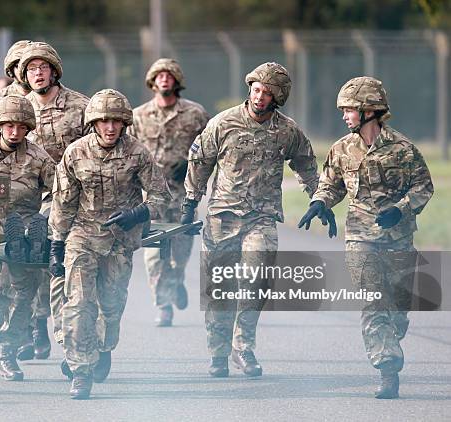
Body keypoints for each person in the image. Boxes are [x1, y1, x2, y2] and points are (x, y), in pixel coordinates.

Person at [182, 62, 333, 379]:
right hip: (222, 217)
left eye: (267, 93)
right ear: (249, 88)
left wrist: (319, 199)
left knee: (257, 279)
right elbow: (200, 161)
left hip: (261, 218)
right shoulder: (223, 123)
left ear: (277, 98)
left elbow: (306, 164)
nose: (260, 96)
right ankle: (218, 353)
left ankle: (243, 347)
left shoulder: (286, 130)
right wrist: (191, 201)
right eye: (257, 89)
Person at [299, 76, 434, 399]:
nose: (345, 116)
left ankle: (390, 342)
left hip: (398, 240)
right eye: (343, 111)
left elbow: (424, 188)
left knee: (397, 311)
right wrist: (320, 202)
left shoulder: (403, 149)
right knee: (373, 300)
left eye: (349, 110)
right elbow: (331, 184)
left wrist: (401, 210)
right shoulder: (342, 149)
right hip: (360, 238)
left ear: (369, 111)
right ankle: (387, 368)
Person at [49, 89, 171, 399]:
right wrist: (56, 243)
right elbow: (63, 203)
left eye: (116, 121)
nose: (110, 127)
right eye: (103, 121)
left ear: (125, 123)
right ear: (92, 123)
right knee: (78, 303)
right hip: (83, 235)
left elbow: (161, 197)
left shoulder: (139, 154)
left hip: (120, 241)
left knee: (111, 305)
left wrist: (136, 214)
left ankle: (103, 347)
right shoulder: (75, 154)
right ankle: (80, 369)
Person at [0, 95, 56, 381]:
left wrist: (45, 216)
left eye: (20, 126)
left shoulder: (39, 157)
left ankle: (9, 352)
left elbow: (61, 192)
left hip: (27, 234)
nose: (14, 132)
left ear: (28, 128)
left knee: (23, 295)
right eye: (8, 125)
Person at [15, 41, 90, 362]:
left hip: (76, 200)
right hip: (30, 199)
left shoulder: (81, 106)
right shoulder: (16, 109)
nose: (38, 74)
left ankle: (73, 336)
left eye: (43, 68)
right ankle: (37, 325)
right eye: (31, 69)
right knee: (32, 264)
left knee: (65, 266)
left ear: (54, 71)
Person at [128, 58, 209, 327]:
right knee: (153, 255)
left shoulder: (195, 114)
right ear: (152, 81)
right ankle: (163, 305)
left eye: (169, 75)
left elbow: (210, 149)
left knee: (179, 252)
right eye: (159, 75)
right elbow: (127, 152)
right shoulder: (138, 116)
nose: (164, 79)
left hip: (183, 195)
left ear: (176, 81)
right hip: (150, 197)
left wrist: (190, 164)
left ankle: (175, 281)